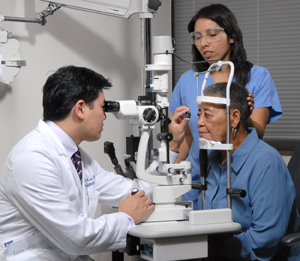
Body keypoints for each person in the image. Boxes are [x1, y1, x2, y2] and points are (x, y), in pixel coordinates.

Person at [0, 65, 189, 261]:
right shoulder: (32, 158)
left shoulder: (76, 157)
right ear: (80, 109)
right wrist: (126, 218)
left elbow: (138, 191)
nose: (105, 115)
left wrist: (173, 144)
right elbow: (76, 238)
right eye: (102, 107)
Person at [169, 3, 282, 208]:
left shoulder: (257, 76)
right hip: (198, 178)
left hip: (238, 175)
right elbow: (187, 136)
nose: (204, 43)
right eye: (197, 37)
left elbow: (258, 132)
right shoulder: (189, 80)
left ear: (231, 36)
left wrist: (242, 112)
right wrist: (168, 177)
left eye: (212, 34)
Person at [190, 82, 298, 260]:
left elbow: (266, 237)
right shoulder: (211, 157)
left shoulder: (265, 162)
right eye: (199, 115)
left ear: (234, 117)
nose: (199, 123)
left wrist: (218, 251)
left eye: (207, 115)